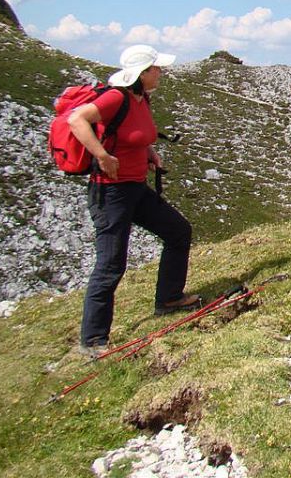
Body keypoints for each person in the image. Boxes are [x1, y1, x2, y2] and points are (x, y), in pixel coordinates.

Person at [68, 45, 198, 358]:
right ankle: (93, 341)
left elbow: (133, 135)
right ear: (141, 74)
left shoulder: (142, 98)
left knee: (178, 231)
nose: (161, 73)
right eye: (156, 68)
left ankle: (169, 299)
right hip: (110, 193)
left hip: (134, 187)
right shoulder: (116, 97)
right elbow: (77, 120)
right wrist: (101, 155)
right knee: (111, 263)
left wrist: (150, 154)